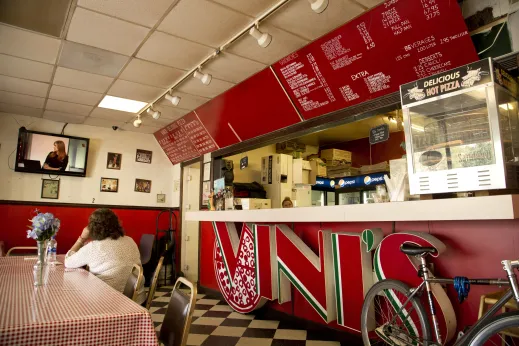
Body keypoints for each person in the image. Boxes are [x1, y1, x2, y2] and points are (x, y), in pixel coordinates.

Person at [64, 208, 146, 305]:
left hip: (107, 302)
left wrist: (81, 239)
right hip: (137, 299)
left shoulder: (94, 247)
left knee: (71, 296)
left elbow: (68, 262)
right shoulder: (130, 240)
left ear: (92, 228)